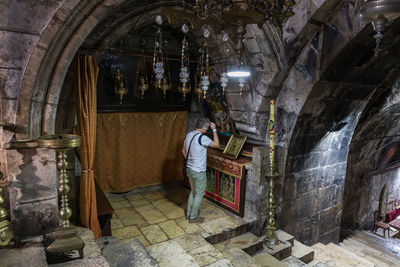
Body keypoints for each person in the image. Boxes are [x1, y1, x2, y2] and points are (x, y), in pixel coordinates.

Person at [182, 118, 220, 223]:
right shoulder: (202, 138)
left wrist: (191, 161)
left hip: (189, 169)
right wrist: (214, 130)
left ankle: (188, 214)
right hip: (198, 171)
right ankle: (193, 217)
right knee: (199, 194)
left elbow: (183, 150)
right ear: (203, 127)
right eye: (207, 127)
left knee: (193, 192)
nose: (207, 129)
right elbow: (216, 144)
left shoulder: (189, 135)